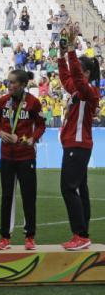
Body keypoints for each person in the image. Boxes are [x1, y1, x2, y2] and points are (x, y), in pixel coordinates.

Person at [0, 69, 45, 250]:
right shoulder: (2, 101)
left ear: (23, 85)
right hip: (7, 156)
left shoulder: (33, 103)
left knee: (28, 197)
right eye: (8, 81)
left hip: (26, 156)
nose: (10, 85)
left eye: (13, 82)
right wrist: (0, 132)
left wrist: (32, 139)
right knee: (7, 196)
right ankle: (4, 237)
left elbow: (41, 124)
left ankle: (30, 237)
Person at [56, 24, 98, 250]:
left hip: (78, 145)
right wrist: (62, 53)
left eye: (78, 71)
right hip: (74, 144)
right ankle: (82, 233)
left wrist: (72, 49)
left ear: (87, 73)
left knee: (68, 188)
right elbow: (65, 77)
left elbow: (76, 79)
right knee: (80, 189)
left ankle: (80, 235)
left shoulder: (88, 91)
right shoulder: (77, 88)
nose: (74, 75)